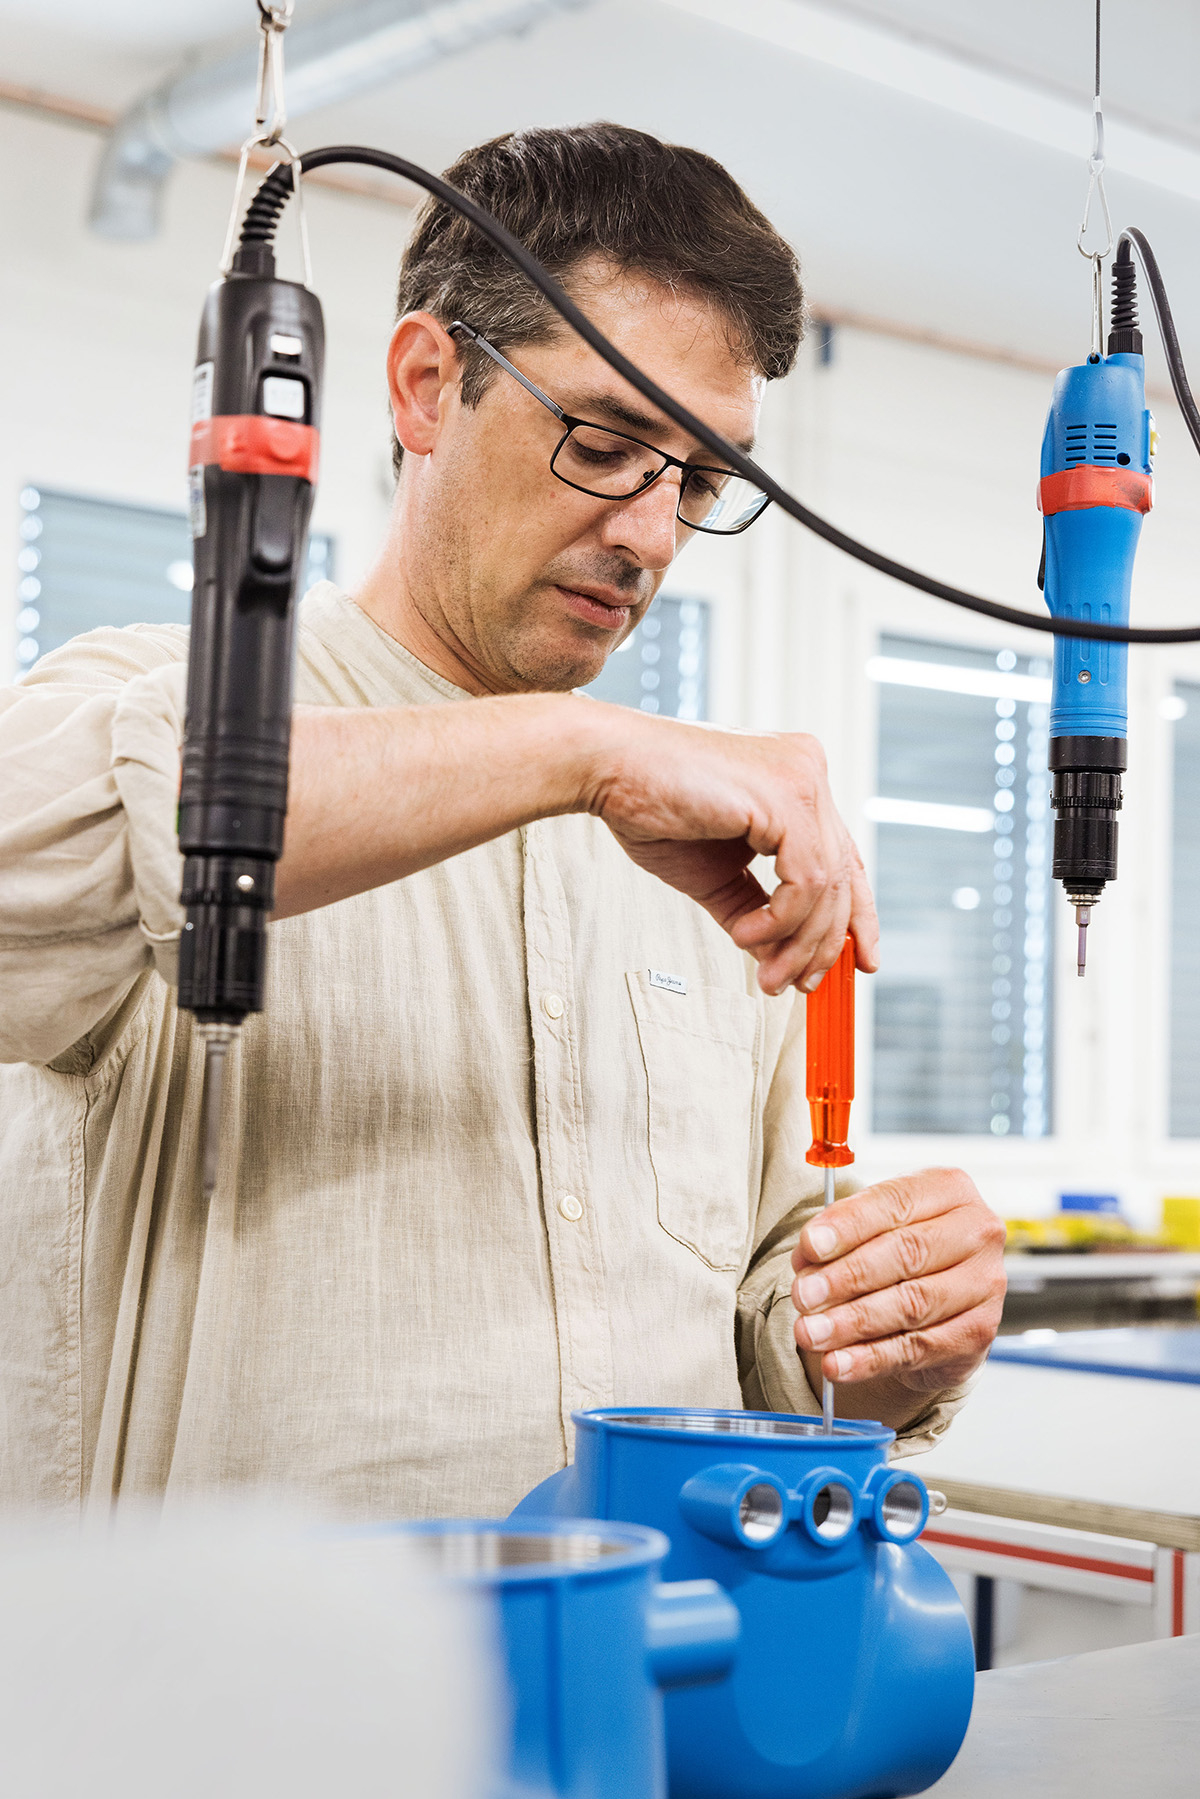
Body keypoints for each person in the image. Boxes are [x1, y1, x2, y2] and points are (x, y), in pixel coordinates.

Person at [0, 124, 1005, 1517]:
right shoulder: (155, 701)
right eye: (605, 442)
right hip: (236, 1714)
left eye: (701, 482)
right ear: (427, 385)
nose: (652, 537)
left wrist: (882, 1344)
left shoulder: (707, 863)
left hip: (639, 1701)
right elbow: (48, 862)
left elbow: (765, 1340)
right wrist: (576, 752)